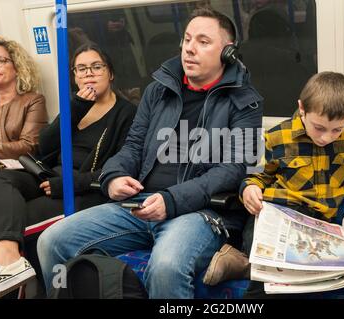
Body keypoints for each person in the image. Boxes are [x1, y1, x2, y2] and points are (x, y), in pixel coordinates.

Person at [37, 7, 263, 298]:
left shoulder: (245, 102)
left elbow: (231, 170)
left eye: (203, 42)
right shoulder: (159, 91)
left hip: (200, 212)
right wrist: (114, 177)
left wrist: (171, 200)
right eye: (187, 38)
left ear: (227, 52)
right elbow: (133, 146)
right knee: (52, 241)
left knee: (166, 266)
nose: (190, 48)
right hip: (139, 205)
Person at [203, 71, 344, 297]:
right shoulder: (277, 137)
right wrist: (250, 188)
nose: (326, 137)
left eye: (337, 129)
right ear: (302, 108)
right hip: (276, 211)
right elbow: (255, 175)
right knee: (271, 278)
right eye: (319, 127)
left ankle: (242, 264)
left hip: (319, 224)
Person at [0, 43, 137, 298]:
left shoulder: (127, 113)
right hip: (49, 176)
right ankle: (8, 260)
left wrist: (68, 183)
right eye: (81, 69)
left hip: (85, 189)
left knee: (25, 215)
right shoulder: (75, 106)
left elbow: (122, 167)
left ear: (110, 73)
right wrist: (76, 107)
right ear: (75, 76)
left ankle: (36, 288)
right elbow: (44, 146)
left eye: (96, 67)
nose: (88, 73)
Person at [0, 37, 48, 170]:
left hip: (16, 171)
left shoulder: (34, 101)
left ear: (18, 68)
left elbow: (28, 147)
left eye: (1, 60)